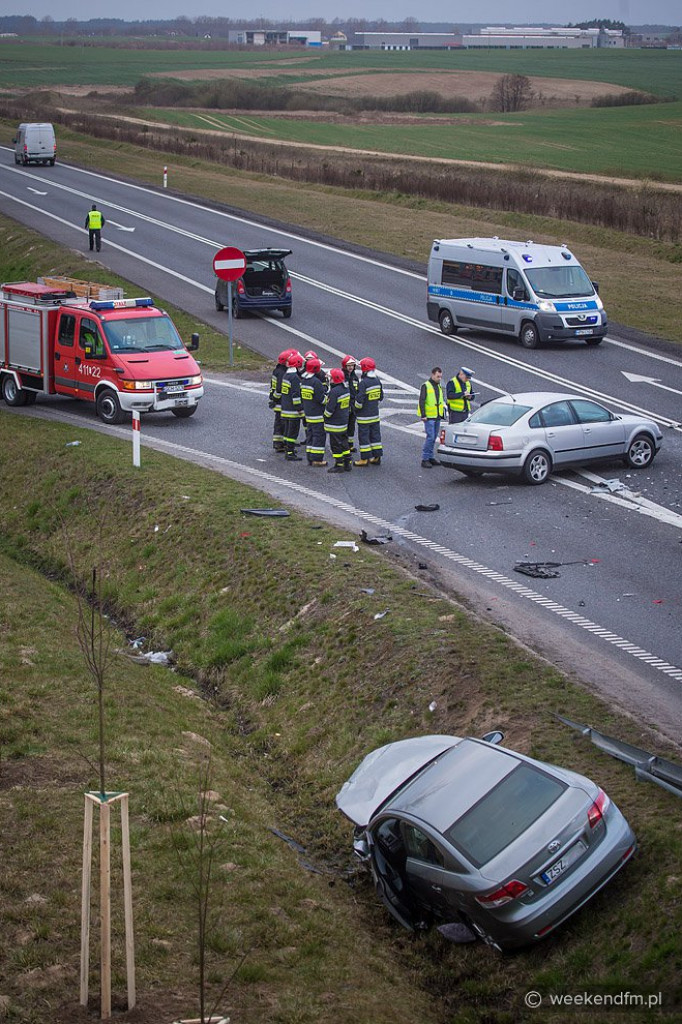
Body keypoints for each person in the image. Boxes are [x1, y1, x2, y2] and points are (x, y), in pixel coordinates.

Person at [353, 357, 384, 466]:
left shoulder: (363, 383)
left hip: (364, 417)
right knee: (375, 436)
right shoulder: (377, 381)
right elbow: (381, 396)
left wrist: (355, 408)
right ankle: (376, 457)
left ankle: (364, 459)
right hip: (375, 415)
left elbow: (359, 400)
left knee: (364, 437)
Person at [300, 357, 328, 466]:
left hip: (308, 414)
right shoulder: (316, 382)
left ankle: (310, 457)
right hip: (317, 414)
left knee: (310, 436)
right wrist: (328, 398)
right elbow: (321, 399)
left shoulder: (305, 381)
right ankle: (317, 459)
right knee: (319, 436)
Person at [324, 368, 352, 474]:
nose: (329, 379)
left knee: (335, 445)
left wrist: (325, 417)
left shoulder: (334, 392)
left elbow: (330, 409)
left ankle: (339, 465)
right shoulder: (345, 390)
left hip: (334, 424)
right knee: (344, 443)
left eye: (330, 378)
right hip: (343, 422)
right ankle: (347, 462)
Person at [417, 367, 444, 468]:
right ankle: (425, 459)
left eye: (440, 377)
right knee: (430, 437)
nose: (439, 378)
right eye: (438, 376)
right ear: (432, 375)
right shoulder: (426, 386)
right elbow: (422, 400)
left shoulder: (438, 385)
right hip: (429, 417)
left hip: (437, 415)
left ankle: (431, 457)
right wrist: (423, 415)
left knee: (433, 437)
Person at [280, 352, 304, 461]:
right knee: (293, 432)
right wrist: (299, 408)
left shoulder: (286, 375)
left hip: (285, 408)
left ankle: (288, 449)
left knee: (287, 431)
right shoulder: (295, 378)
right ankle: (290, 452)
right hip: (293, 411)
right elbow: (296, 395)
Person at [269, 349, 292, 452]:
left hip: (278, 401)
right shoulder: (282, 373)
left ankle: (278, 443)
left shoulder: (277, 370)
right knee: (282, 424)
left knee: (279, 423)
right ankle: (280, 444)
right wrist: (276, 398)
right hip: (280, 403)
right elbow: (279, 389)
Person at [342, 354, 359, 451]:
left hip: (353, 406)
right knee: (344, 426)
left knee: (351, 426)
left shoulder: (355, 377)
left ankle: (350, 444)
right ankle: (343, 445)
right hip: (345, 405)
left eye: (352, 365)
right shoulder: (342, 377)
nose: (351, 368)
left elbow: (357, 391)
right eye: (349, 366)